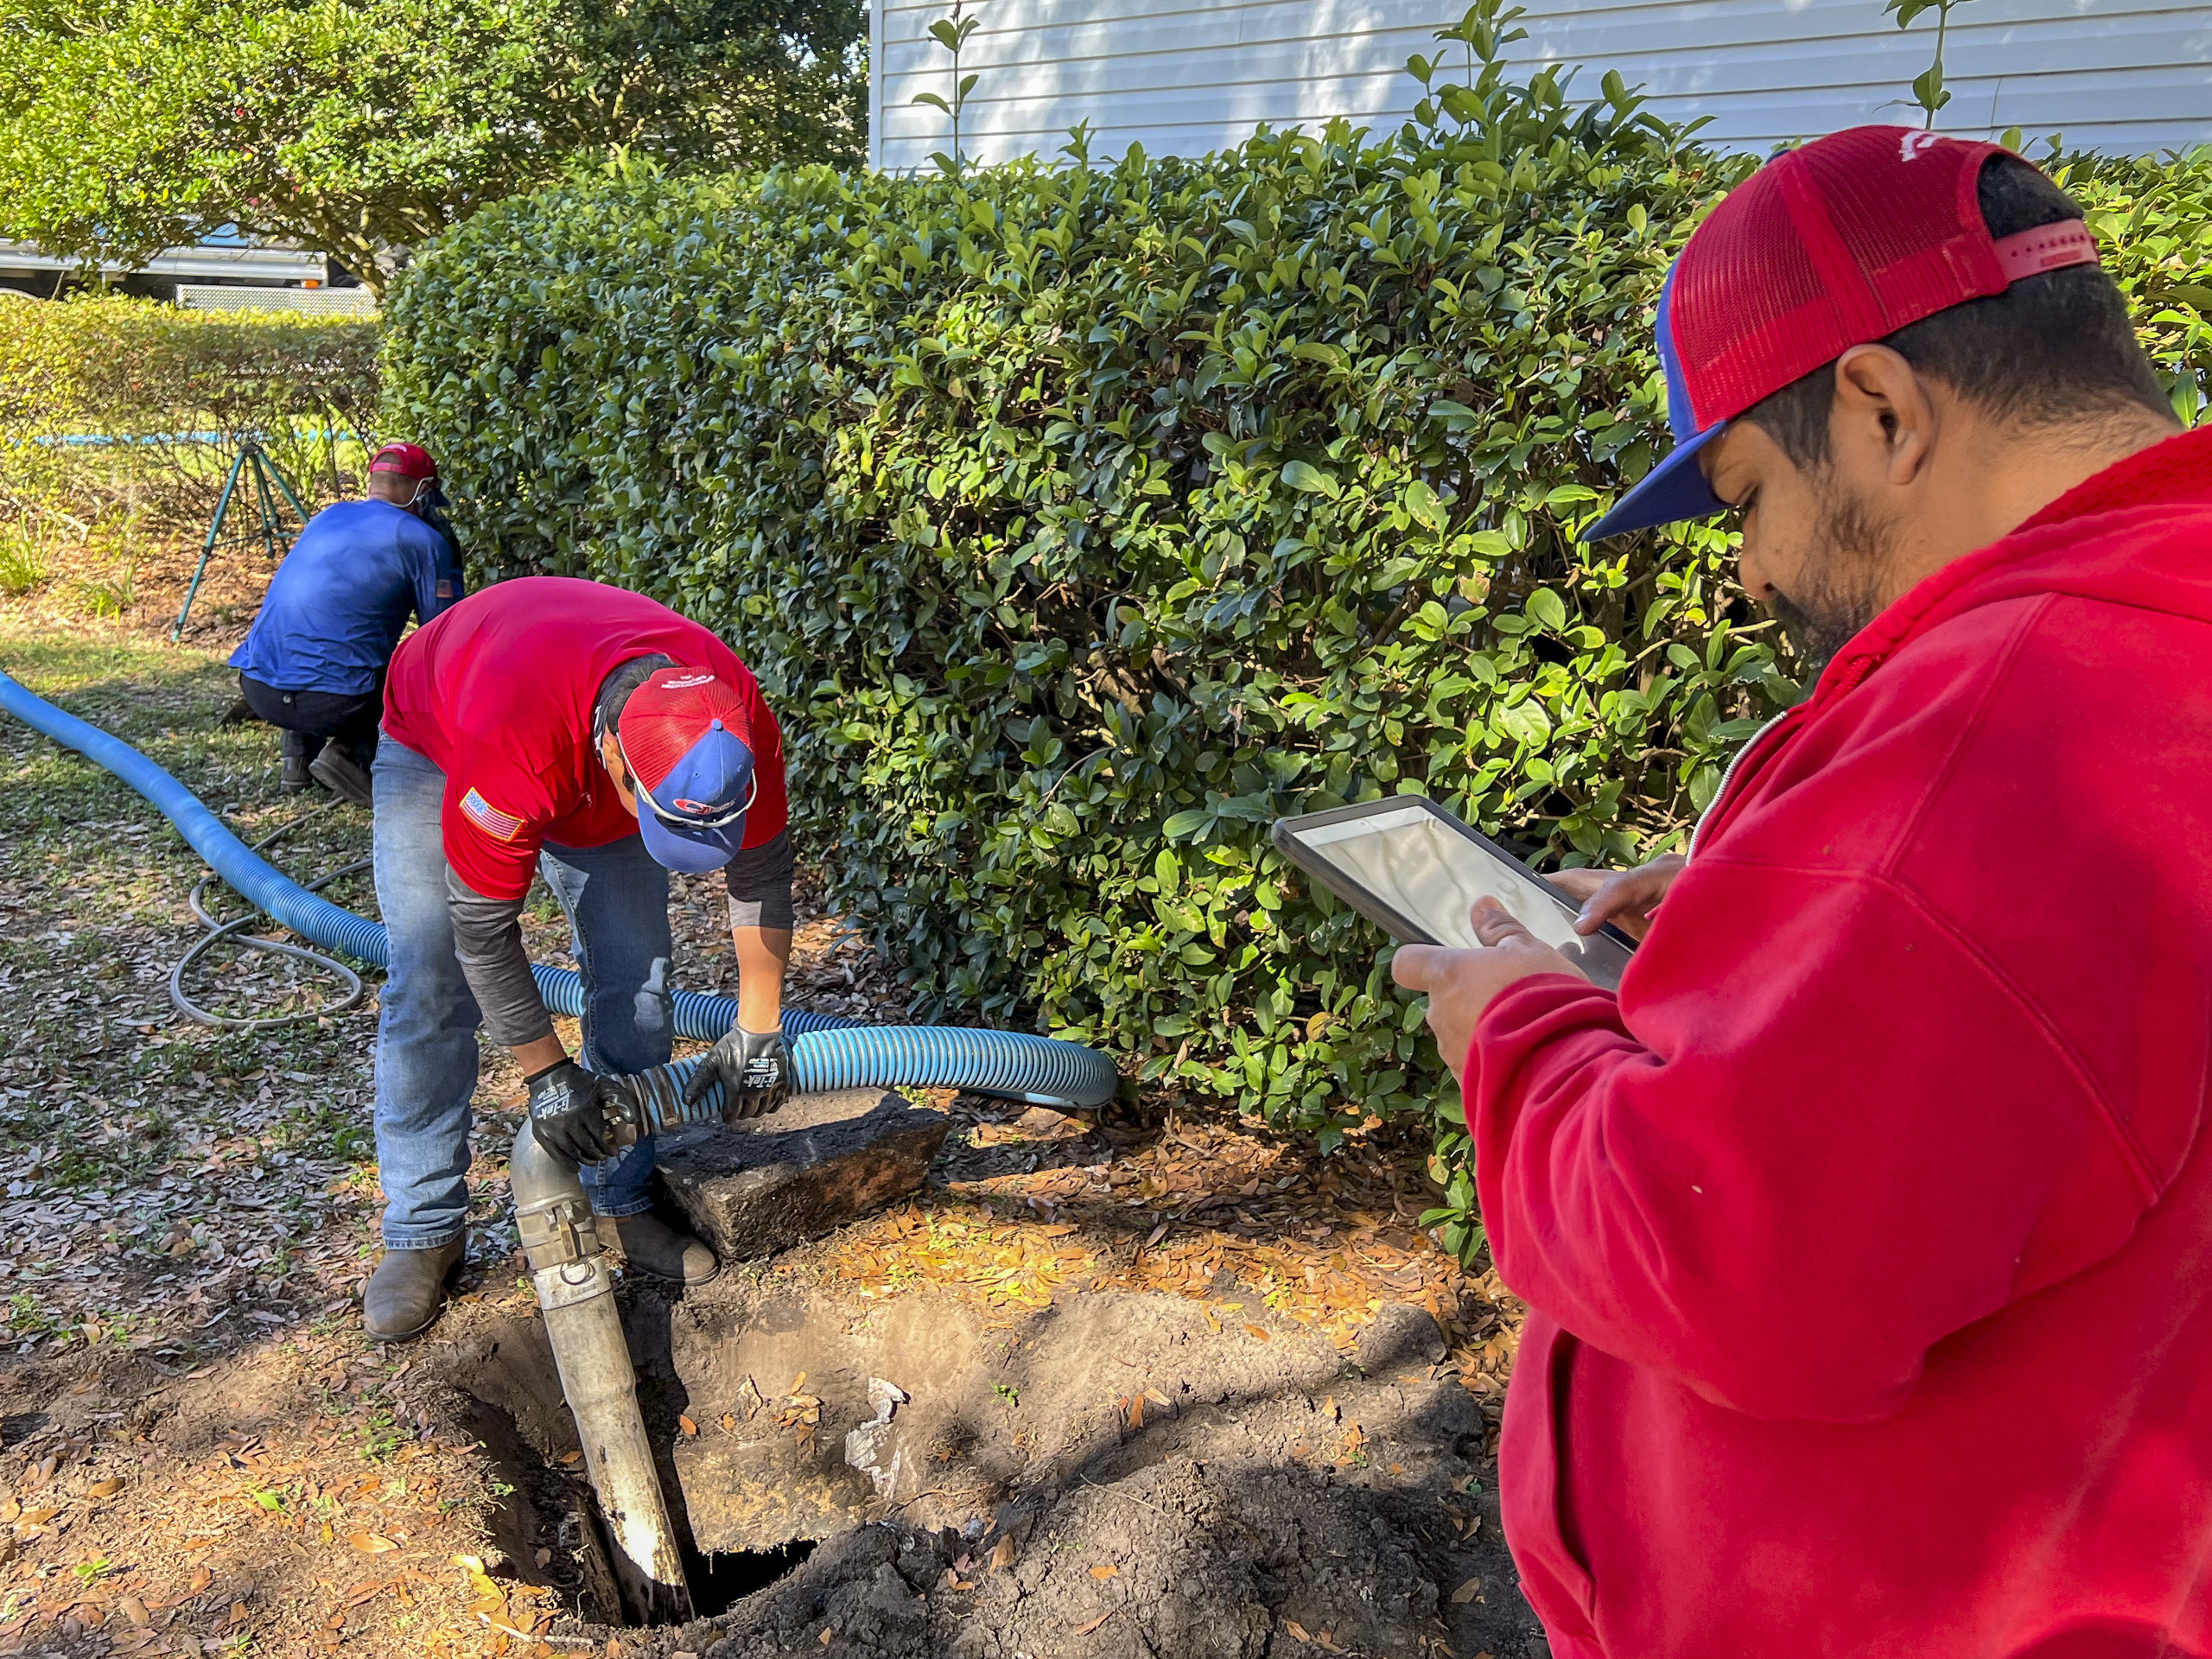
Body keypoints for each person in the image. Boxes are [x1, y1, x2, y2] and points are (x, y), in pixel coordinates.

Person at [1390, 127, 2212, 1658]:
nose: (1753, 574)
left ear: (1883, 408)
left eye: (1748, 496)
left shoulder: (2002, 728)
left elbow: (1713, 1256)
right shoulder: (2156, 627)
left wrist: (1519, 1031)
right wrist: (1754, 913)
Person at [361, 575, 798, 1342]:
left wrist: (759, 1028)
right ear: (613, 757)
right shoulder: (513, 744)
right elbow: (483, 930)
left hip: (583, 749)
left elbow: (760, 874)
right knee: (432, 983)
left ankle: (620, 1198)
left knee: (640, 985)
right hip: (442, 730)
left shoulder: (729, 722)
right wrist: (547, 1073)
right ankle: (425, 1229)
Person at [228, 442, 462, 805]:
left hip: (259, 689)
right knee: (412, 663)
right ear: (425, 490)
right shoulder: (422, 540)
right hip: (335, 703)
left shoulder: (327, 516)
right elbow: (445, 632)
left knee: (312, 638)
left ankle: (297, 759)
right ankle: (350, 754)